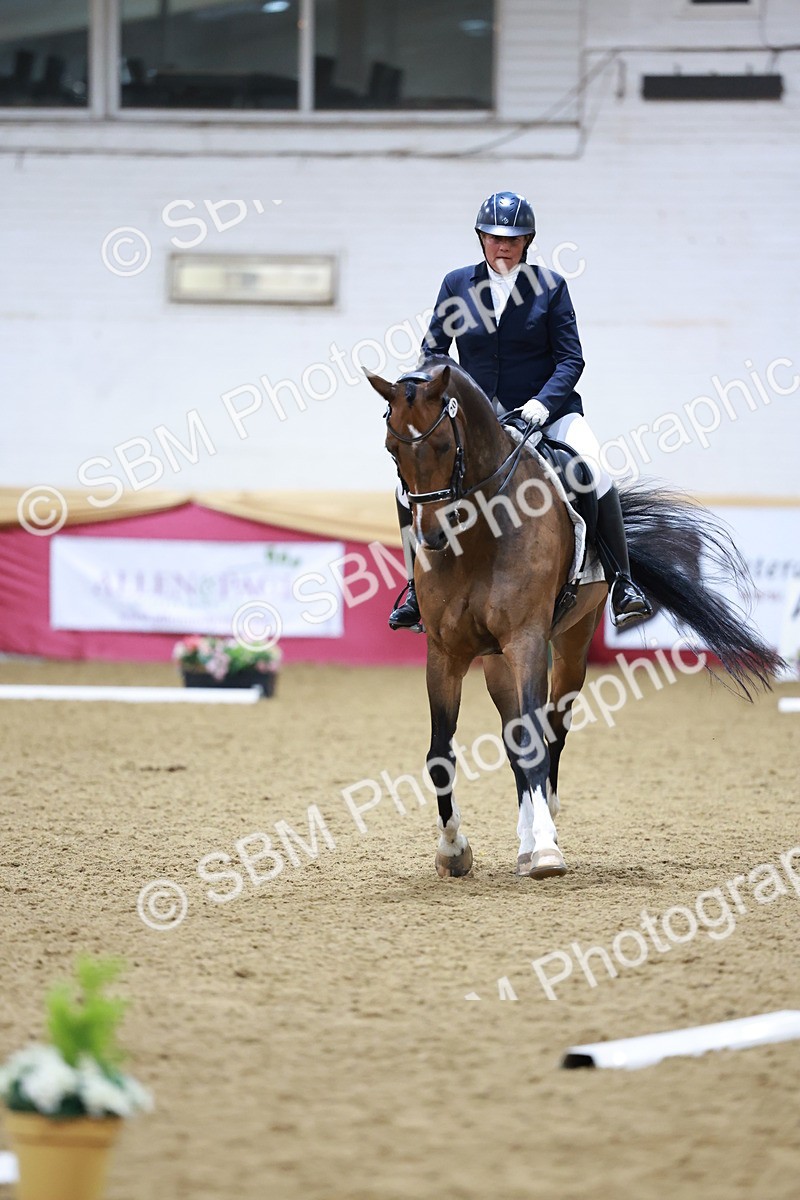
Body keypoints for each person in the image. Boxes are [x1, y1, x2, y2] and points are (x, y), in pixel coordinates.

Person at [389, 189, 653, 632]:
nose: (503, 246)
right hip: (479, 421)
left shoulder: (551, 287)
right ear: (481, 238)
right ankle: (417, 588)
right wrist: (455, 395)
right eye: (494, 237)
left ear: (527, 240)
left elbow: (571, 359)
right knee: (406, 490)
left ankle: (623, 584)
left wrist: (541, 404)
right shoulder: (457, 285)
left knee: (595, 470)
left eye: (512, 238)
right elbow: (434, 351)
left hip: (547, 412)